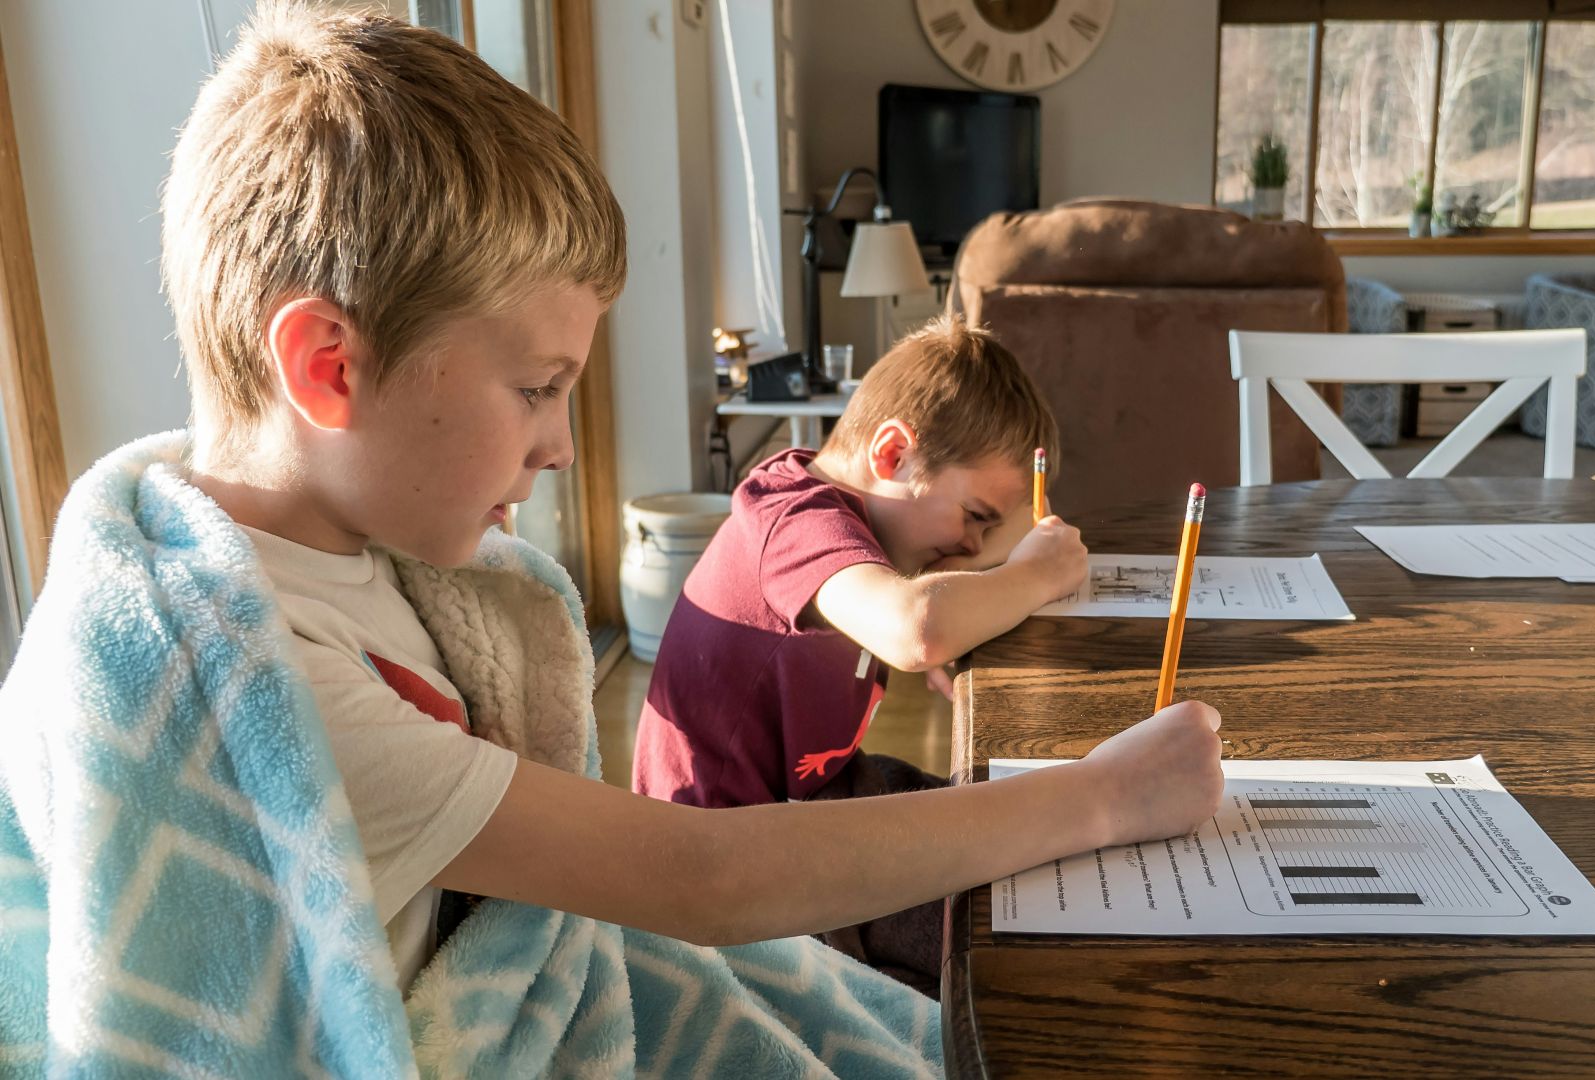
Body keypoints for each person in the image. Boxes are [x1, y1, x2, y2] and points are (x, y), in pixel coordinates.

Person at [0, 3, 1225, 1072]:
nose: (563, 449)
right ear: (329, 366)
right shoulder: (259, 688)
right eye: (538, 388)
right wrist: (1102, 798)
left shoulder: (348, 552)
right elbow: (705, 879)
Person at [633, 316, 1086, 990]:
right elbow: (916, 629)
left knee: (1014, 843)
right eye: (974, 517)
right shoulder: (794, 519)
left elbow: (932, 601)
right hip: (728, 872)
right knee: (1001, 932)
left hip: (817, 799)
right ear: (892, 453)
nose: (973, 547)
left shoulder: (858, 516)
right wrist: (1032, 577)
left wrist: (973, 590)